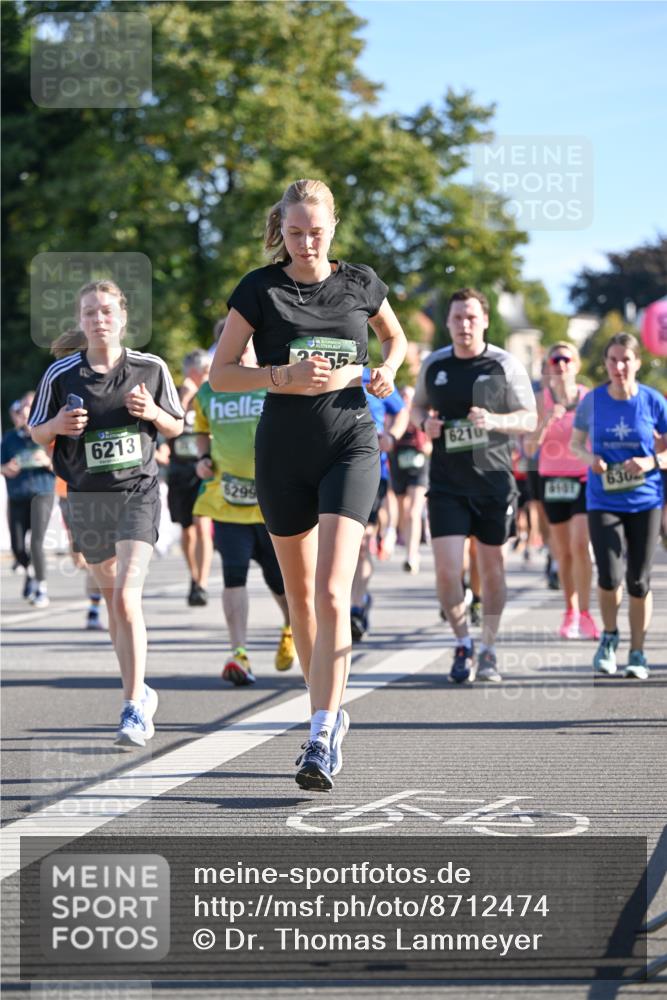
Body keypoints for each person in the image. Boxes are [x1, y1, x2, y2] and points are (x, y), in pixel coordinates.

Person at [210, 178, 407, 790]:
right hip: (282, 453)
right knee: (299, 601)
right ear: (282, 229)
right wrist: (281, 373)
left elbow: (396, 340)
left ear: (333, 227)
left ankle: (320, 733)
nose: (305, 242)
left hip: (349, 443)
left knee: (330, 591)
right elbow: (220, 375)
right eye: (294, 232)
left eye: (315, 231)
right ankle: (328, 711)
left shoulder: (360, 282)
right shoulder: (259, 288)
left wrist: (386, 372)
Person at [28, 279, 184, 745]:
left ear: (123, 317)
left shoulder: (150, 368)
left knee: (125, 597)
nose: (99, 319)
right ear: (80, 320)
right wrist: (56, 425)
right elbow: (37, 431)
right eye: (91, 312)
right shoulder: (61, 375)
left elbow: (176, 426)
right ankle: (142, 691)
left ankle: (133, 705)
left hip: (137, 492)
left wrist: (153, 413)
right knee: (114, 598)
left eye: (107, 311)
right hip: (86, 498)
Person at [412, 288, 537, 684]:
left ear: (484, 321)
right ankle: (463, 642)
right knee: (448, 571)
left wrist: (496, 421)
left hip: (493, 483)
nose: (464, 325)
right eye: (457, 318)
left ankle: (489, 648)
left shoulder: (504, 364)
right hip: (447, 483)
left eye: (471, 318)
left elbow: (530, 419)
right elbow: (417, 406)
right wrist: (423, 424)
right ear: (447, 322)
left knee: (492, 569)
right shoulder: (434, 364)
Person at [192, 340, 295, 683]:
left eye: (242, 343)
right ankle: (239, 654)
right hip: (227, 501)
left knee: (280, 583)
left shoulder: (273, 380)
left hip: (273, 502)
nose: (235, 350)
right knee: (233, 575)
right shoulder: (209, 391)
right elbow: (202, 431)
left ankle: (292, 626)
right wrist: (203, 459)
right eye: (226, 344)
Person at [570, 332, 667, 680]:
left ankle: (638, 652)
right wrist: (590, 458)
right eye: (612, 360)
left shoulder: (654, 402)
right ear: (605, 364)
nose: (619, 366)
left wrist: (651, 462)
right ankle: (609, 638)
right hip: (603, 499)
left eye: (626, 359)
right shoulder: (593, 401)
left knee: (638, 580)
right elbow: (575, 444)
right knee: (610, 576)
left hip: (645, 500)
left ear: (637, 362)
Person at [525, 342, 599, 640]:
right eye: (555, 359)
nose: (561, 364)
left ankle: (586, 612)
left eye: (567, 359)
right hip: (551, 480)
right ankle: (569, 611)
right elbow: (529, 447)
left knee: (581, 545)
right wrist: (546, 420)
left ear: (576, 365)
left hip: (582, 477)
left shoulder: (588, 399)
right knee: (563, 552)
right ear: (548, 366)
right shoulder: (539, 400)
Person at [350, 369, 407, 641]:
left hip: (371, 470)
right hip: (325, 470)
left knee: (361, 543)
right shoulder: (319, 370)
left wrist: (392, 436)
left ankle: (356, 606)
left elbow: (402, 410)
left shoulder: (371, 375)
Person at [166, 349, 213, 606]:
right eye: (202, 372)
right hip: (179, 469)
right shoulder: (176, 393)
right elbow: (168, 426)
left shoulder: (213, 394)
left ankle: (202, 583)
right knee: (187, 530)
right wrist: (184, 398)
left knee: (202, 524)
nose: (206, 376)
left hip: (203, 467)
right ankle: (194, 577)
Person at [1, 392, 55, 607]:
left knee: (36, 542)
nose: (25, 411)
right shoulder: (10, 437)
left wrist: (47, 461)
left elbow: (66, 466)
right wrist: (5, 468)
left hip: (42, 493)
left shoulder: (49, 435)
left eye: (30, 406)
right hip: (17, 494)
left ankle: (41, 588)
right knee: (17, 547)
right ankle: (31, 572)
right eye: (23, 406)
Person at [390, 384, 431, 575]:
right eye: (404, 396)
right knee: (403, 512)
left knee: (414, 511)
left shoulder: (421, 417)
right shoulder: (394, 415)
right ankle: (407, 543)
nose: (407, 400)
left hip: (419, 467)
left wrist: (424, 447)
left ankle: (411, 555)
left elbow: (432, 446)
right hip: (399, 465)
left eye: (410, 397)